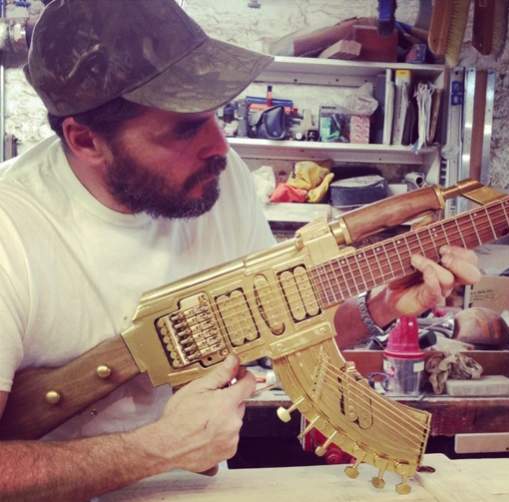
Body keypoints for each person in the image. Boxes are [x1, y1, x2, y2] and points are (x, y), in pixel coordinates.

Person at [0, 0, 481, 499]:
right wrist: (154, 450)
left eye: (214, 115)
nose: (220, 146)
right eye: (185, 127)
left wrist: (380, 304)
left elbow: (278, 326)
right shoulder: (11, 229)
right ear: (85, 141)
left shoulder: (217, 181)